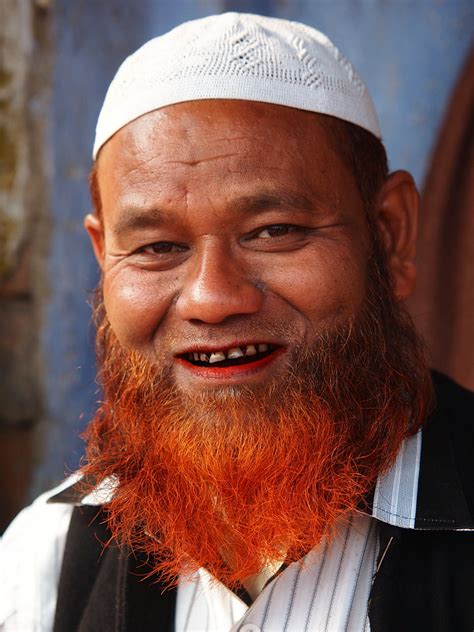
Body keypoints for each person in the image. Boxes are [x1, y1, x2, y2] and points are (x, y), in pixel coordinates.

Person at [1, 12, 473, 632]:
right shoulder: (49, 558)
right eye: (156, 247)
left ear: (389, 234)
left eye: (274, 231)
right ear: (103, 257)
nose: (211, 297)